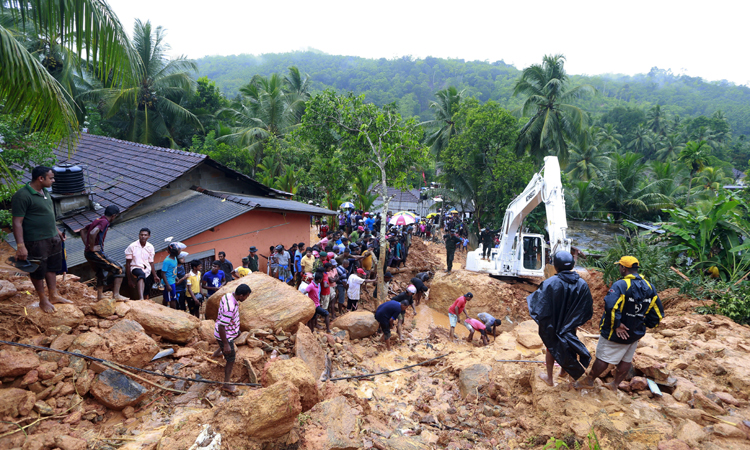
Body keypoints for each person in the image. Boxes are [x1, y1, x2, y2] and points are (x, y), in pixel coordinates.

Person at [575, 256, 664, 392]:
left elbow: (611, 305)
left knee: (603, 358)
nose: (620, 269)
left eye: (620, 267)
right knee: (626, 360)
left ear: (624, 268)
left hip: (616, 332)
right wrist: (643, 323)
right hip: (635, 332)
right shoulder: (649, 286)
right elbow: (657, 312)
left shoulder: (621, 285)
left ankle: (590, 380)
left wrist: (616, 324)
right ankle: (615, 385)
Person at [11, 166, 72, 313]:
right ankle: (42, 299)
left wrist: (57, 231)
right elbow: (17, 223)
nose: (53, 180)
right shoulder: (22, 195)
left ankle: (53, 295)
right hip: (35, 241)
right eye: (51, 178)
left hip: (52, 238)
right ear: (41, 178)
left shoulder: (45, 192)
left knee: (52, 267)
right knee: (37, 270)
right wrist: (21, 245)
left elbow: (49, 214)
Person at [527, 250, 594, 386]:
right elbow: (586, 308)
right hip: (571, 324)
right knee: (568, 344)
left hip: (553, 324)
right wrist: (575, 321)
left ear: (555, 266)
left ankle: (549, 378)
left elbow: (540, 305)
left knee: (552, 347)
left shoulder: (550, 283)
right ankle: (563, 371)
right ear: (572, 265)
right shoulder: (582, 284)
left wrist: (546, 323)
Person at [82, 205, 129, 301]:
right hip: (94, 252)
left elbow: (83, 230)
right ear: (113, 216)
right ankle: (116, 295)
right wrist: (91, 247)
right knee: (120, 268)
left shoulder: (98, 220)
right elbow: (92, 233)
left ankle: (99, 296)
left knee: (101, 271)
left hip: (88, 253)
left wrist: (87, 246)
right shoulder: (104, 222)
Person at [213, 283, 252, 393]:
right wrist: (225, 344)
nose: (246, 298)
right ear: (240, 295)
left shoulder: (227, 296)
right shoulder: (229, 307)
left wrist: (235, 329)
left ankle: (216, 353)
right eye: (246, 296)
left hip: (229, 331)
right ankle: (226, 384)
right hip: (224, 334)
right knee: (231, 359)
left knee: (236, 335)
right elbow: (221, 326)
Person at [125, 228, 158, 300]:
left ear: (149, 236)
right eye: (141, 235)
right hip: (135, 267)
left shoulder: (150, 247)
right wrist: (129, 279)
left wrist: (155, 275)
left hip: (147, 270)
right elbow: (127, 263)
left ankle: (145, 301)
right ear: (139, 235)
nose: (143, 236)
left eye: (145, 235)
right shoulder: (132, 246)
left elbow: (151, 262)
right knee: (141, 274)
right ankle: (141, 298)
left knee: (147, 289)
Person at [161, 243, 182, 309]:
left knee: (166, 297)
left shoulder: (175, 258)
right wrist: (167, 285)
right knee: (173, 299)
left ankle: (163, 309)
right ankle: (173, 311)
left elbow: (173, 269)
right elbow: (163, 273)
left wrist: (176, 277)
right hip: (169, 282)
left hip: (172, 280)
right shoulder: (167, 261)